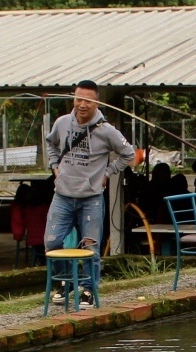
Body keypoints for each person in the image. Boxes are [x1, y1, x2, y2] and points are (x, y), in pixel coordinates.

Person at [44, 81, 139, 255]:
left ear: (97, 103)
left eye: (88, 101)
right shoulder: (61, 123)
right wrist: (55, 166)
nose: (82, 105)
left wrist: (108, 172)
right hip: (62, 196)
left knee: (91, 249)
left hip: (91, 199)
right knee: (52, 243)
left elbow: (129, 154)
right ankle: (67, 281)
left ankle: (88, 284)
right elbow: (51, 143)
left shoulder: (107, 130)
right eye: (78, 99)